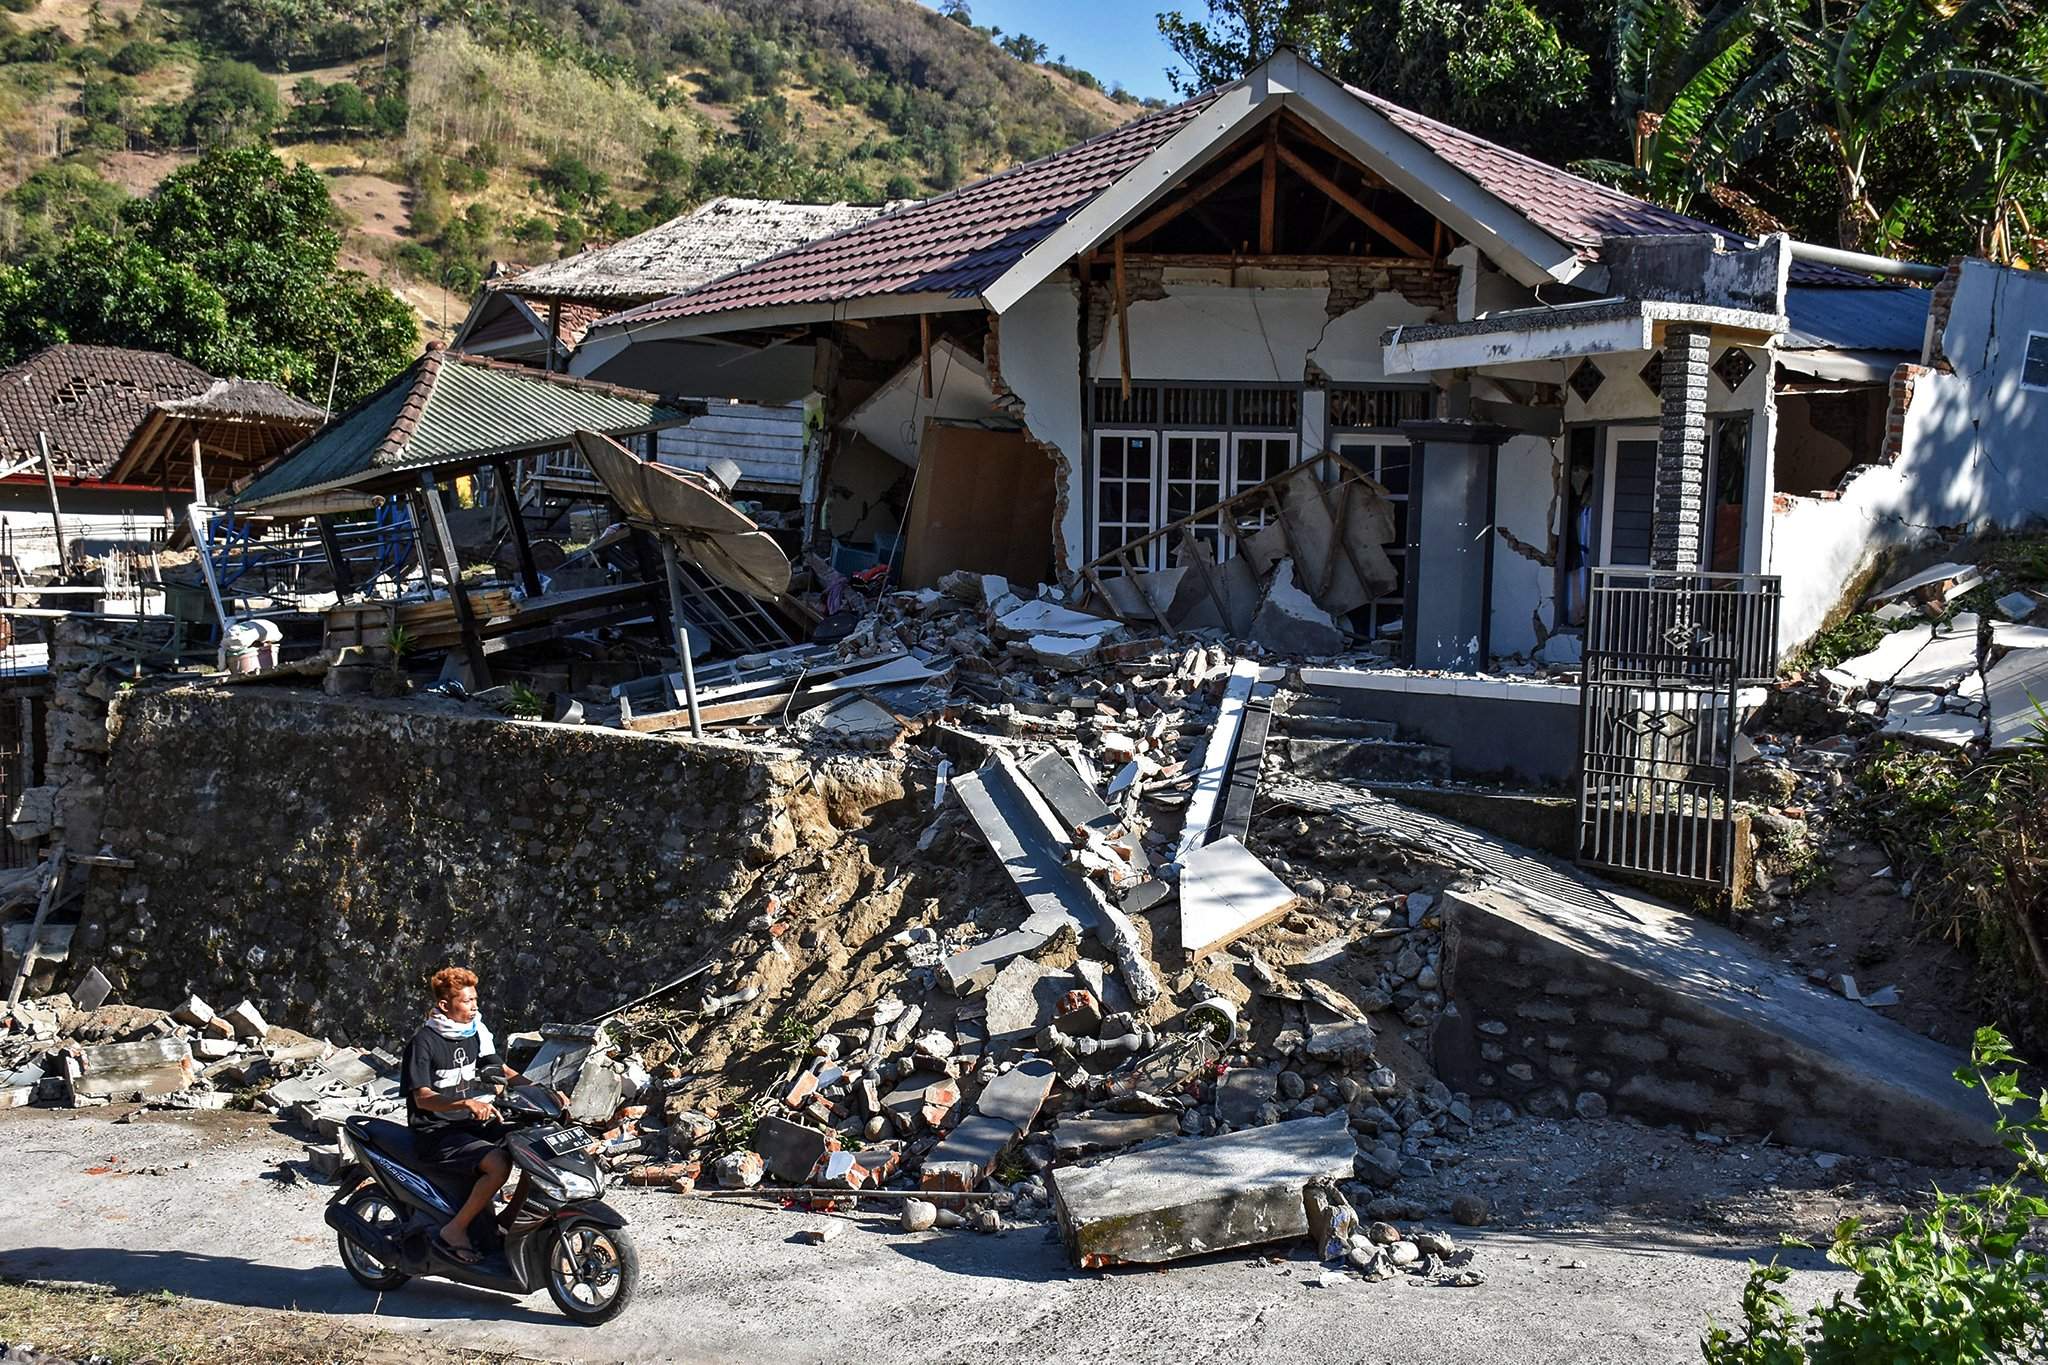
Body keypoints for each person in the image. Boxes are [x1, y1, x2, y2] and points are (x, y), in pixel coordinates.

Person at [404, 965, 532, 1264]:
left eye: (475, 1000)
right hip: (436, 1132)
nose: (474, 1007)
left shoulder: (473, 1033)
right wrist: (464, 1104)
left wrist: (542, 1090)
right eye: (466, 1001)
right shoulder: (423, 1042)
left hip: (472, 1124)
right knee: (499, 1164)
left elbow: (500, 1070)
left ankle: (507, 1221)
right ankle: (455, 1230)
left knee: (532, 1148)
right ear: (445, 1005)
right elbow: (422, 1099)